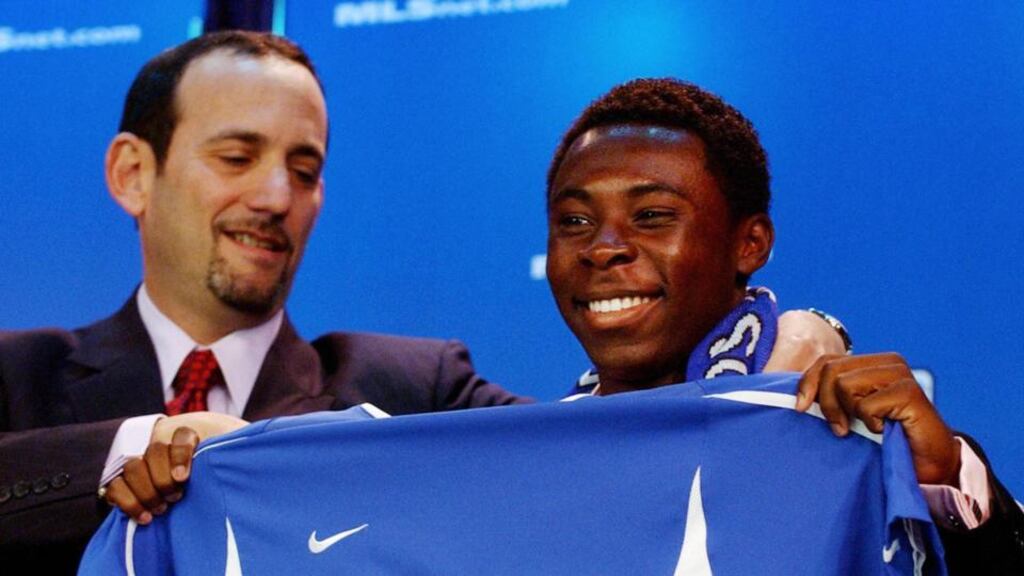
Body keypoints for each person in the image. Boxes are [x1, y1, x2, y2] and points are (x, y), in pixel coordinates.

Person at [0, 34, 837, 573]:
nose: (274, 194)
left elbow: (608, 460)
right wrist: (146, 444)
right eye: (237, 155)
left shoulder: (413, 384)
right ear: (131, 174)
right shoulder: (18, 375)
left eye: (304, 167)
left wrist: (790, 338)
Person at [544, 77, 1023, 573]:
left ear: (750, 243)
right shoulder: (534, 469)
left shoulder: (853, 447)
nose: (602, 248)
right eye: (575, 221)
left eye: (652, 215)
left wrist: (946, 474)